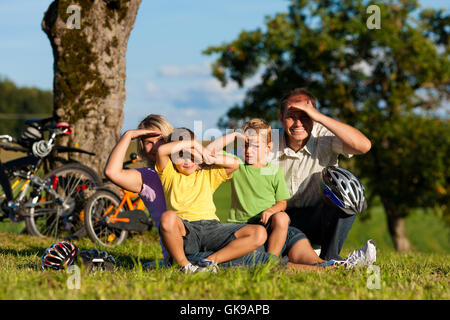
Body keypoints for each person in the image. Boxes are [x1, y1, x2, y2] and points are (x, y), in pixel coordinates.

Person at [270, 88, 372, 260]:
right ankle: (300, 256)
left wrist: (320, 117)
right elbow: (233, 159)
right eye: (291, 116)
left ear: (314, 118)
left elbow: (363, 146)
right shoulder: (268, 141)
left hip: (317, 219)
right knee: (281, 258)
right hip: (277, 221)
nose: (298, 123)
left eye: (305, 116)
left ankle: (330, 257)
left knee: (346, 190)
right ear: (281, 118)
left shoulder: (324, 137)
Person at [156, 128, 268, 273]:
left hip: (212, 228)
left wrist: (208, 156)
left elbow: (235, 163)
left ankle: (209, 262)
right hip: (186, 230)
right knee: (167, 218)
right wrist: (192, 144)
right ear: (172, 158)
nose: (187, 161)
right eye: (181, 156)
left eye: (192, 155)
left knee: (259, 233)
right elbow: (161, 151)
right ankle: (185, 266)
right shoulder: (169, 175)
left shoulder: (208, 173)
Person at [206, 118, 291, 256]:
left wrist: (271, 210)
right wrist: (234, 136)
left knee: (282, 218)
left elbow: (282, 203)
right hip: (239, 225)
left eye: (256, 146)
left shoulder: (274, 171)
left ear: (268, 148)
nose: (249, 150)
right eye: (245, 145)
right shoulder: (237, 164)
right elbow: (209, 152)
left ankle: (270, 261)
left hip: (265, 224)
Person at [104, 114, 173, 261]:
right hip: (177, 253)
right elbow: (112, 172)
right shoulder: (146, 177)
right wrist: (128, 136)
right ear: (142, 147)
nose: (155, 147)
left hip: (205, 237)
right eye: (148, 142)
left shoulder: (188, 168)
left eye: (160, 140)